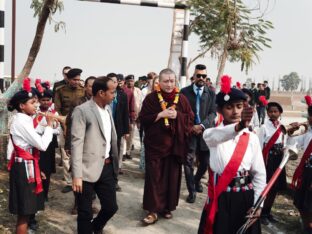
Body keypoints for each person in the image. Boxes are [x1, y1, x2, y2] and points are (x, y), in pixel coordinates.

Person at [198, 75, 266, 234]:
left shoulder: (252, 138)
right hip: (222, 198)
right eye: (229, 107)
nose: (235, 111)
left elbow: (259, 174)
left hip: (246, 199)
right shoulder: (211, 134)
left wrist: (258, 204)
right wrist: (240, 126)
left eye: (239, 106)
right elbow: (221, 135)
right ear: (219, 110)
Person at [139, 68, 194, 225]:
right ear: (159, 82)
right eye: (165, 81)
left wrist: (178, 116)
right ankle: (152, 210)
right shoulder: (151, 99)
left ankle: (167, 207)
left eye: (172, 81)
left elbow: (190, 119)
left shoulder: (181, 99)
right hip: (156, 146)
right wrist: (160, 115)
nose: (169, 84)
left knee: (172, 177)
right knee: (154, 178)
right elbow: (143, 119)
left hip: (175, 147)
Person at [71, 77, 119, 234]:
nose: (115, 95)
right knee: (85, 213)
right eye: (112, 92)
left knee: (111, 207)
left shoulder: (108, 109)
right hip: (86, 170)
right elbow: (76, 143)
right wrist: (77, 175)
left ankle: (95, 228)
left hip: (106, 167)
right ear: (101, 92)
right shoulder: (82, 111)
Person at [7, 78, 53, 234]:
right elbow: (41, 145)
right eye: (33, 103)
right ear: (22, 106)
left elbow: (34, 139)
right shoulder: (21, 121)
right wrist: (50, 126)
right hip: (23, 169)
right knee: (24, 212)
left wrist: (45, 125)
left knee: (26, 211)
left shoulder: (24, 120)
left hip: (27, 166)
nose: (37, 105)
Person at [180, 64, 216, 203]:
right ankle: (191, 190)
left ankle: (196, 180)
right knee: (188, 162)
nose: (201, 78)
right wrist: (191, 127)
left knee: (205, 162)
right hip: (189, 133)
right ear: (194, 76)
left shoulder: (211, 93)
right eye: (198, 75)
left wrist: (201, 125)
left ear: (206, 77)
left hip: (206, 133)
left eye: (204, 76)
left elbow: (213, 113)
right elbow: (181, 113)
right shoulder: (184, 92)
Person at [64, 76, 96, 215]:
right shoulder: (77, 102)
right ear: (86, 87)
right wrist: (68, 145)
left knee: (93, 176)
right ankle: (77, 204)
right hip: (79, 144)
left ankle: (90, 203)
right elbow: (69, 124)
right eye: (89, 86)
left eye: (95, 86)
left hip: (94, 146)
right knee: (78, 174)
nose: (92, 88)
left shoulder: (100, 103)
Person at [54, 68, 85, 194]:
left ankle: (80, 178)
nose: (77, 82)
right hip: (64, 125)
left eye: (78, 79)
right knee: (65, 154)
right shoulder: (60, 91)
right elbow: (57, 109)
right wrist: (64, 125)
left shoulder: (83, 91)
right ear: (68, 79)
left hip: (80, 126)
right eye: (74, 80)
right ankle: (68, 181)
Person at [257, 102, 286, 225]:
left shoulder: (282, 126)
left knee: (275, 188)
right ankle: (261, 212)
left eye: (276, 111)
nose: (273, 114)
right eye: (271, 111)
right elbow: (258, 145)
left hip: (279, 159)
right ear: (267, 113)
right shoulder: (264, 127)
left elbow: (285, 141)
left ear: (280, 113)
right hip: (269, 160)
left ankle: (268, 212)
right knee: (267, 187)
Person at [287, 102, 312, 234]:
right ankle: (307, 227)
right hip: (307, 171)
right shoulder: (308, 133)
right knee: (302, 202)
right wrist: (291, 132)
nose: (310, 119)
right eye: (310, 116)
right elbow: (293, 143)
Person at [107, 73, 129, 181]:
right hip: (105, 129)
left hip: (118, 129)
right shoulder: (102, 94)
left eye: (115, 82)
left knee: (116, 154)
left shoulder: (122, 95)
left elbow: (126, 113)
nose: (114, 84)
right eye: (111, 81)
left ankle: (115, 179)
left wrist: (126, 130)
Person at [117, 74, 135, 160]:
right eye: (118, 80)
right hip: (115, 118)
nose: (120, 81)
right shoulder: (112, 91)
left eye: (121, 80)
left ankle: (123, 154)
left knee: (125, 138)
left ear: (124, 81)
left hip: (126, 118)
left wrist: (131, 120)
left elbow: (132, 107)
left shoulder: (128, 92)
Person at [125, 74, 142, 157]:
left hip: (136, 115)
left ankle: (128, 151)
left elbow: (140, 103)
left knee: (131, 134)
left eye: (132, 81)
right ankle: (124, 152)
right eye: (129, 81)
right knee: (125, 134)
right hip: (127, 115)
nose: (130, 83)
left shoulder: (138, 90)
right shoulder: (125, 91)